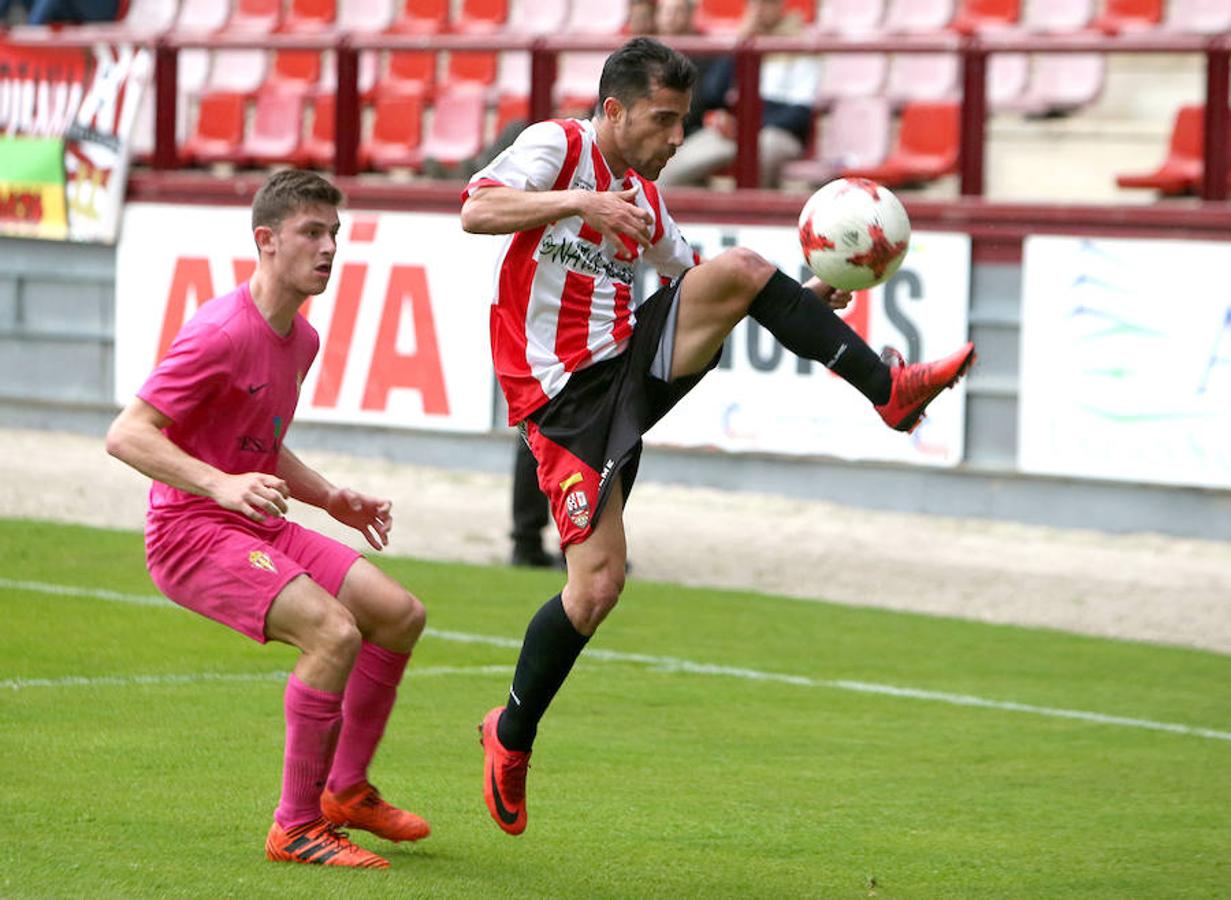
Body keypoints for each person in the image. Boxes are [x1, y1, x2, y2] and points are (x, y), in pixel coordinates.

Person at [459, 36, 976, 836]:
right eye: (663, 122)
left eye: (684, 122)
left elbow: (704, 283)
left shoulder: (648, 201)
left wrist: (792, 298)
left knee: (738, 269)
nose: (677, 140)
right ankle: (511, 734)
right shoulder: (555, 148)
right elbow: (476, 209)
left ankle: (889, 392)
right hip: (560, 400)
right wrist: (580, 203)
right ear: (611, 111)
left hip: (628, 359)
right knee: (595, 589)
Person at [106, 170, 430, 870]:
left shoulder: (300, 340)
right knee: (333, 631)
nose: (329, 249)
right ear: (266, 240)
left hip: (251, 518)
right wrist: (218, 484)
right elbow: (129, 433)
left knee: (398, 612)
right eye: (312, 233)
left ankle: (346, 791)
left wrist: (331, 498)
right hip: (190, 534)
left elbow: (260, 442)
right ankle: (296, 826)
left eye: (334, 234)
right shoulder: (219, 331)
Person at [656, 0, 818, 188]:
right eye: (754, 4)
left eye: (766, 4)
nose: (758, 10)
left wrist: (748, 127)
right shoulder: (746, 39)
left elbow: (800, 113)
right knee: (673, 167)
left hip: (778, 131)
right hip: (737, 129)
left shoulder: (800, 43)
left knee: (762, 154)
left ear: (780, 6)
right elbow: (713, 92)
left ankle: (755, 214)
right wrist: (739, 44)